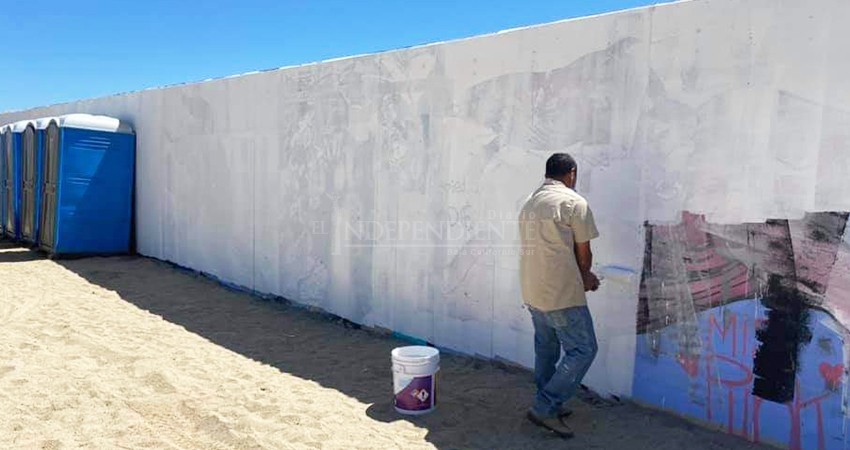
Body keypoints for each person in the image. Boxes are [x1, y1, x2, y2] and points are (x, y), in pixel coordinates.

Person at [518, 153, 600, 438]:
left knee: (547, 349)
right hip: (561, 294)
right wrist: (587, 277)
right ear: (572, 173)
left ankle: (547, 399)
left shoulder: (530, 202)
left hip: (532, 289)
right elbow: (583, 252)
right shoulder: (573, 202)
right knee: (583, 349)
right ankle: (545, 407)